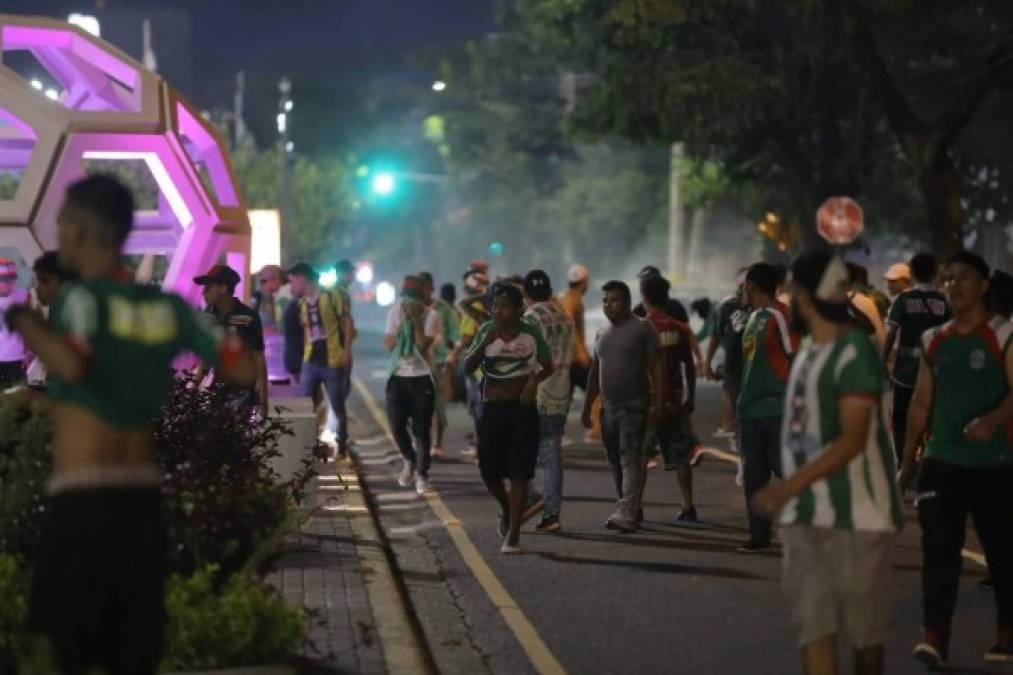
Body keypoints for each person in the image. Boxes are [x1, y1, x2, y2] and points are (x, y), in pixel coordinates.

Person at [5, 175, 254, 674]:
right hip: (140, 496)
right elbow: (239, 365)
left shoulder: (82, 301)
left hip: (81, 497)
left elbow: (73, 366)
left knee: (69, 646)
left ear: (76, 231)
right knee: (133, 646)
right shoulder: (164, 309)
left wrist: (27, 324)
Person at [754, 248, 902, 675]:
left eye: (795, 290)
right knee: (814, 629)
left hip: (859, 517)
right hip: (806, 518)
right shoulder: (807, 353)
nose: (790, 298)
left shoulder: (853, 351)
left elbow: (853, 439)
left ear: (806, 293)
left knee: (864, 639)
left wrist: (788, 486)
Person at [897, 251, 1013, 668]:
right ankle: (935, 638)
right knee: (939, 553)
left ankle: (1006, 633)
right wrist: (907, 462)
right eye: (948, 279)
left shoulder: (1004, 335)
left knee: (1003, 554)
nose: (953, 285)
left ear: (983, 286)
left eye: (964, 278)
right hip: (942, 461)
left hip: (995, 464)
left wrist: (994, 419)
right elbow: (920, 404)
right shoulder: (934, 340)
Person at [465, 282, 554, 553]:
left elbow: (548, 365)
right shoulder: (485, 331)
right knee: (488, 472)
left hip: (522, 411)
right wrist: (485, 343)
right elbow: (467, 367)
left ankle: (513, 535)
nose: (497, 311)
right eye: (494, 306)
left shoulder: (530, 333)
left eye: (503, 306)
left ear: (518, 309)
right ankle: (508, 509)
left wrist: (533, 382)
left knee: (518, 472)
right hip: (492, 409)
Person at [582, 280, 664, 533]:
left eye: (614, 300)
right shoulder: (601, 334)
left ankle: (626, 513)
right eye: (605, 300)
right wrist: (587, 407)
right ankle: (630, 508)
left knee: (631, 458)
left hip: (634, 405)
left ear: (627, 302)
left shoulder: (643, 328)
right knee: (615, 461)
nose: (609, 305)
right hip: (608, 408)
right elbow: (595, 373)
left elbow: (657, 366)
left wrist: (659, 402)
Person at [737, 262, 797, 553]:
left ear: (751, 285)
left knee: (788, 470)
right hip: (750, 410)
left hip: (778, 409)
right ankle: (759, 535)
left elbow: (796, 356)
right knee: (754, 475)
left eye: (744, 284)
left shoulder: (780, 315)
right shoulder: (753, 317)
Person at [883, 253, 950, 463]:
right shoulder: (945, 301)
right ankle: (930, 459)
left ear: (911, 273)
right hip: (936, 371)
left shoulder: (902, 300)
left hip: (905, 373)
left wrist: (882, 361)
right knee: (933, 418)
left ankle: (904, 463)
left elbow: (891, 334)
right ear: (935, 273)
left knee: (901, 419)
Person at [641, 275, 698, 521]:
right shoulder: (680, 328)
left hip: (646, 403)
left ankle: (635, 507)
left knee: (640, 456)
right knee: (681, 456)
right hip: (674, 401)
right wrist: (690, 397)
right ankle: (688, 506)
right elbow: (690, 366)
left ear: (643, 297)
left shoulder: (640, 328)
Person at [522, 270, 573, 532]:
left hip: (537, 392)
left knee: (522, 451)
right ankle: (552, 514)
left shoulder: (530, 317)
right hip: (561, 392)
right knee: (553, 453)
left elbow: (527, 358)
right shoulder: (565, 316)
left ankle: (529, 500)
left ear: (525, 293)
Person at [385, 276, 440, 496]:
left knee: (421, 429)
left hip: (422, 376)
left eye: (412, 300)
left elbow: (422, 345)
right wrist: (401, 324)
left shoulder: (432, 316)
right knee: (396, 424)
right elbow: (389, 344)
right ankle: (409, 459)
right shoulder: (394, 312)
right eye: (405, 299)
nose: (407, 305)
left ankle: (422, 474)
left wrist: (416, 320)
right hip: (398, 376)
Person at [293, 262, 353, 456]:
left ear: (304, 278)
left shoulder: (332, 296)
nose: (292, 285)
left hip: (333, 358)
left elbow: (347, 323)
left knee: (336, 402)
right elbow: (305, 331)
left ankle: (341, 442)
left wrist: (347, 351)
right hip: (310, 360)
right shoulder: (302, 303)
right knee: (306, 401)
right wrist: (304, 356)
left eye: (294, 280)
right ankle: (307, 443)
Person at [194, 264, 269, 418]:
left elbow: (258, 358)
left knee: (236, 437)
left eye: (208, 287)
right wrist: (193, 388)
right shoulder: (208, 316)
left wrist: (263, 400)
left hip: (242, 391)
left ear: (223, 288)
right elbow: (205, 358)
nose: (203, 292)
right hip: (216, 389)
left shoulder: (248, 318)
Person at [448, 262, 491, 458]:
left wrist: (454, 353)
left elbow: (467, 337)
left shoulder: (472, 306)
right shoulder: (490, 304)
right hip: (488, 367)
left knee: (478, 407)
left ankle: (482, 446)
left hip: (478, 368)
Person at [420, 271, 459, 458]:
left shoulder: (444, 309)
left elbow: (456, 337)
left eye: (426, 287)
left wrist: (453, 356)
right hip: (416, 364)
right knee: (417, 406)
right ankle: (421, 442)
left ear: (432, 288)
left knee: (437, 406)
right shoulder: (410, 308)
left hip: (439, 363)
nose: (423, 291)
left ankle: (436, 445)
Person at [25, 251, 78, 385]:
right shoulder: (56, 310)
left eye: (45, 281)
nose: (38, 288)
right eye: (37, 281)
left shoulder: (74, 315)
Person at [559, 263, 592, 391]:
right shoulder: (571, 299)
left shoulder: (568, 297)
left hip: (565, 359)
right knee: (597, 393)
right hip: (574, 360)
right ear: (584, 282)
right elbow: (569, 325)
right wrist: (581, 352)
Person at [283, 262, 314, 385]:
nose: (291, 287)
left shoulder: (303, 304)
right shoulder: (296, 304)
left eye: (292, 281)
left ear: (301, 279)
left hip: (304, 363)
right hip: (298, 364)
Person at [0, 257, 28, 390]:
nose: (7, 283)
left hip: (16, 359)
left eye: (11, 279)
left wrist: (29, 351)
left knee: (19, 404)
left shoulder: (24, 296)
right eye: (3, 280)